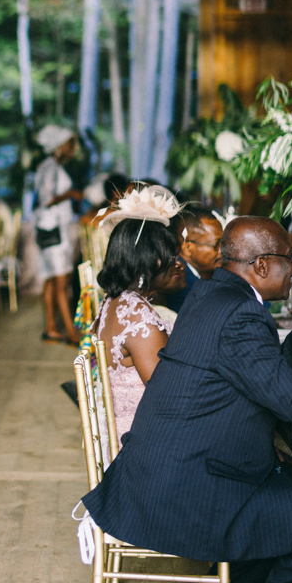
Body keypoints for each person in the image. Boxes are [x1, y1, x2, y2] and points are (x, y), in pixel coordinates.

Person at [83, 216, 292, 583]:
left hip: (163, 467)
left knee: (290, 484)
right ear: (260, 265)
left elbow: (264, 370)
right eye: (288, 261)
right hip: (186, 487)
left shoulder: (212, 295)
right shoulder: (239, 312)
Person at [92, 186, 187, 445]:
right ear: (146, 260)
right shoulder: (138, 317)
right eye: (171, 256)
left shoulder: (117, 300)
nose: (180, 264)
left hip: (129, 430)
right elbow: (168, 395)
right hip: (144, 442)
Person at [34, 125, 83, 344]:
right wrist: (71, 194)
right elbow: (46, 199)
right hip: (53, 230)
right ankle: (72, 334)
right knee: (62, 281)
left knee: (52, 280)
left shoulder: (49, 166)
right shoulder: (51, 167)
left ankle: (51, 328)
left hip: (49, 229)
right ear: (59, 146)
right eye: (70, 144)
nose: (73, 148)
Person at [165, 205, 223, 313]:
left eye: (223, 243)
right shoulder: (182, 284)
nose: (222, 251)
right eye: (216, 244)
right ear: (187, 248)